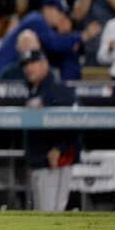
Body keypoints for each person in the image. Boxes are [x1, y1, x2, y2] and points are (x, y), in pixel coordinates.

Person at [0, 0, 101, 81]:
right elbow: (55, 43)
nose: (62, 16)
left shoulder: (40, 23)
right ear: (47, 9)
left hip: (6, 72)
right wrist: (83, 36)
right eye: (59, 12)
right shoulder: (36, 20)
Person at [20, 48, 80, 212]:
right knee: (42, 220)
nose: (28, 68)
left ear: (45, 63)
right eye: (25, 64)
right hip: (39, 162)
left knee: (52, 218)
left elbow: (76, 120)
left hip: (55, 163)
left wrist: (60, 147)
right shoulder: (34, 91)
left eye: (33, 62)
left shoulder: (56, 88)